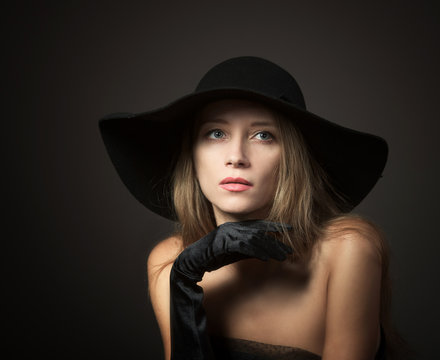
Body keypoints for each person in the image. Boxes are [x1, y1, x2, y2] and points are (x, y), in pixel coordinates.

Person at [99, 56, 399, 359]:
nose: (237, 156)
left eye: (263, 135)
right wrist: (183, 286)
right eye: (216, 133)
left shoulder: (347, 249)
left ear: (291, 158)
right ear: (192, 154)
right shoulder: (170, 261)